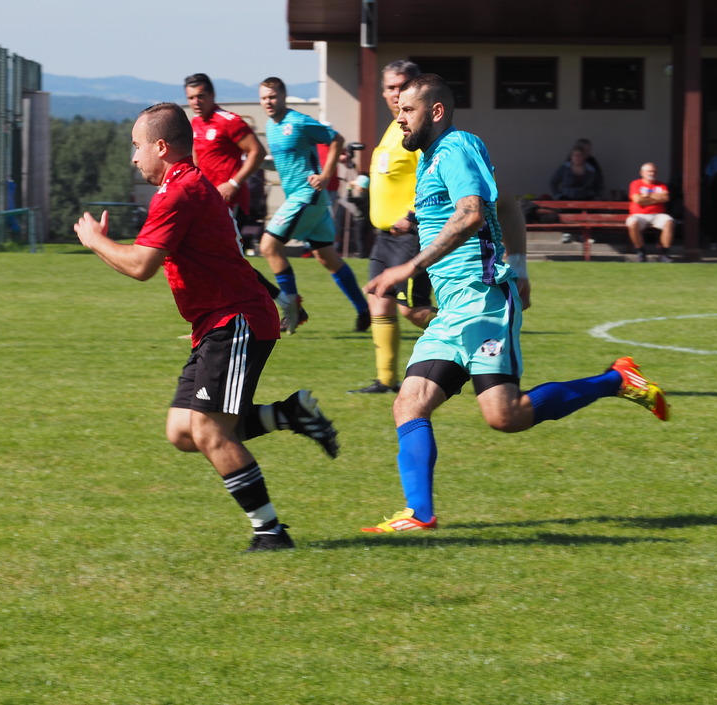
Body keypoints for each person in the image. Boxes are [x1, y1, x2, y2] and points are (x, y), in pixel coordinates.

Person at [359, 75, 669, 533]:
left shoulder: (457, 147)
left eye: (407, 109)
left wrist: (411, 267)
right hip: (452, 310)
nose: (399, 117)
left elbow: (472, 214)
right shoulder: (431, 159)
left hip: (483, 301)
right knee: (409, 403)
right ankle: (419, 514)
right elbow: (505, 205)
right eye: (398, 109)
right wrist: (517, 265)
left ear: (436, 111)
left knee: (507, 416)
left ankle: (616, 379)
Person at [73, 103, 339, 552]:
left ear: (161, 146)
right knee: (182, 430)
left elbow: (141, 266)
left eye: (137, 146)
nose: (134, 157)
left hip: (233, 321)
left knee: (210, 431)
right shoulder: (189, 187)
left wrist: (95, 241)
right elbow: (224, 259)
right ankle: (289, 414)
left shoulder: (179, 193)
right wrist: (280, 297)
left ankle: (270, 533)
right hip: (219, 322)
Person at [183, 73, 308, 328]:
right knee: (224, 263)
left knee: (222, 263)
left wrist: (234, 183)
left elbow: (257, 152)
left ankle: (227, 320)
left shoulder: (229, 121)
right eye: (191, 98)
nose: (196, 102)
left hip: (230, 205)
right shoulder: (195, 124)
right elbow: (198, 162)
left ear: (212, 95)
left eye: (201, 96)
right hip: (208, 206)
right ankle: (284, 302)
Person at [348, 60, 437, 395]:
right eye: (390, 87)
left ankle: (477, 336)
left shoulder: (421, 129)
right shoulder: (393, 127)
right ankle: (386, 381)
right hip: (384, 238)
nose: (395, 93)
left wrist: (412, 216)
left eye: (402, 86)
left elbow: (433, 176)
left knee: (412, 309)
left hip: (409, 236)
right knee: (378, 300)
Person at [258, 76, 370, 334]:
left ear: (283, 96)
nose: (268, 102)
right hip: (306, 199)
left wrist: (326, 175)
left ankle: (293, 309)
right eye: (264, 98)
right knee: (327, 257)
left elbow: (336, 139)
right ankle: (364, 310)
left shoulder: (298, 121)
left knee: (268, 246)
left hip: (306, 195)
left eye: (272, 97)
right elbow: (286, 162)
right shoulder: (270, 126)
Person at [626, 162, 674, 262]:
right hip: (639, 215)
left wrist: (647, 196)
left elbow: (665, 198)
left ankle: (664, 253)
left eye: (654, 171)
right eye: (649, 171)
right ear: (642, 173)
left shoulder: (661, 185)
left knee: (669, 221)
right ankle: (641, 252)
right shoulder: (635, 184)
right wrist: (657, 198)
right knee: (632, 223)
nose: (652, 173)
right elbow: (638, 200)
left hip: (658, 214)